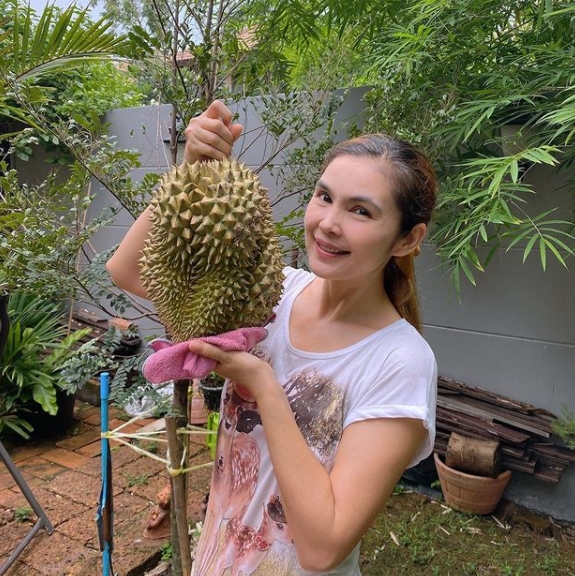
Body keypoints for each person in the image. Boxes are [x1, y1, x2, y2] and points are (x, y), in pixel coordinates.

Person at [107, 100, 438, 576]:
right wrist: (191, 173)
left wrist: (263, 385)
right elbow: (127, 269)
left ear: (407, 239)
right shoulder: (273, 294)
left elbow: (324, 548)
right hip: (216, 559)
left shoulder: (400, 361)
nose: (328, 223)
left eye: (361, 211)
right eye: (324, 197)